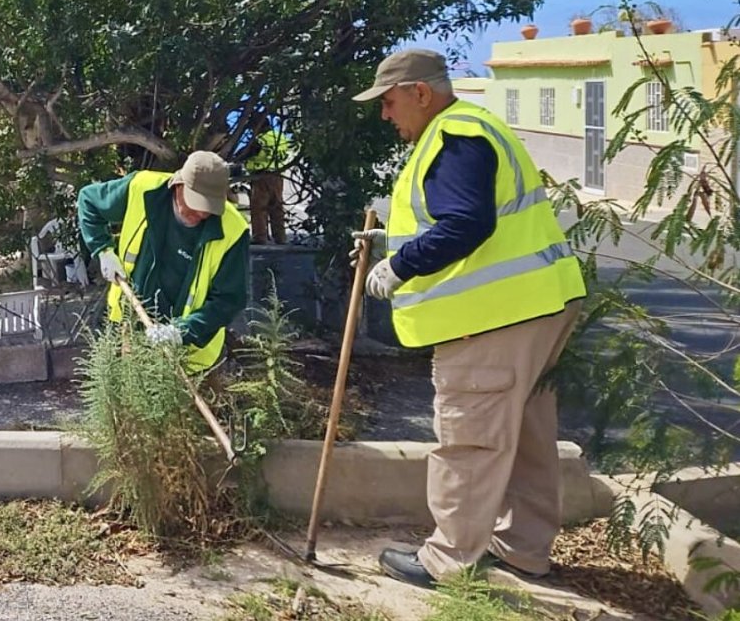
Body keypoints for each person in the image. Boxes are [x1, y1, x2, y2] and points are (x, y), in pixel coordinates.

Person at [351, 49, 586, 588]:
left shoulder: (453, 137)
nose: (386, 115)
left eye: (388, 102)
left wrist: (400, 266)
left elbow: (465, 225)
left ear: (420, 93)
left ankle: (448, 562)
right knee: (526, 436)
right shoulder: (475, 129)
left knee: (470, 436)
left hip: (494, 317)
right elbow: (472, 221)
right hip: (538, 304)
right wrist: (391, 243)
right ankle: (524, 549)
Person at [75, 151, 250, 369]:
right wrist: (103, 250)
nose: (202, 214)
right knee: (128, 400)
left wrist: (181, 332)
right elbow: (89, 201)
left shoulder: (234, 230)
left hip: (191, 357)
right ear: (179, 186)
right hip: (130, 332)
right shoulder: (143, 188)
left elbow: (229, 300)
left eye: (209, 208)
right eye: (196, 205)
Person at [245, 126, 294, 245]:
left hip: (261, 175)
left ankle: (260, 237)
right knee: (276, 206)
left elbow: (249, 154)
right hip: (278, 175)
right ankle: (280, 237)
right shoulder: (280, 136)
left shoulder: (261, 139)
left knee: (259, 207)